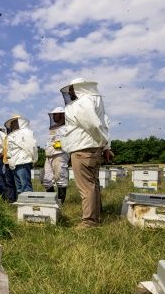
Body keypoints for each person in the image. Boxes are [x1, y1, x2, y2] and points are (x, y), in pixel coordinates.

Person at [60, 78, 113, 228]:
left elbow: (94, 125)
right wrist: (104, 146)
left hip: (83, 150)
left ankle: (89, 222)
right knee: (93, 184)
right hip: (91, 150)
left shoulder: (82, 103)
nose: (70, 93)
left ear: (78, 89)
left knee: (86, 187)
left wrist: (102, 143)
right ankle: (96, 215)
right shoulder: (94, 102)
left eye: (71, 90)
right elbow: (104, 125)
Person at [40, 107, 69, 204]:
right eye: (53, 115)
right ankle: (53, 201)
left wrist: (61, 144)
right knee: (46, 180)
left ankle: (60, 204)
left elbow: (70, 141)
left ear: (62, 115)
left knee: (60, 179)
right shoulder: (53, 128)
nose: (54, 116)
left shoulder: (68, 127)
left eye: (56, 114)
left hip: (60, 155)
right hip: (49, 156)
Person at [4, 115, 38, 194]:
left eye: (13, 123)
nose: (11, 125)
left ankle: (28, 205)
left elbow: (31, 147)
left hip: (23, 162)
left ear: (20, 122)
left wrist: (34, 159)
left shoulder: (26, 132)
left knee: (26, 186)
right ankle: (22, 205)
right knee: (19, 188)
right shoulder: (12, 135)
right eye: (11, 124)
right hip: (15, 164)